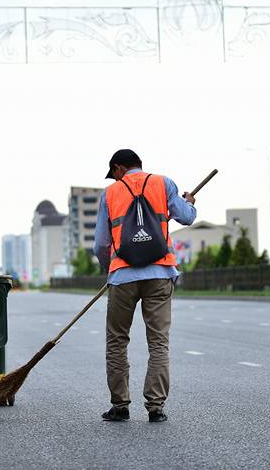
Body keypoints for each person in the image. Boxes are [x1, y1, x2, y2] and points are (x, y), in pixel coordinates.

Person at [93, 149, 197, 423]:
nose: (115, 179)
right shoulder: (164, 183)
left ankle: (120, 406)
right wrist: (189, 202)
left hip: (122, 277)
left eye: (114, 174)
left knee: (117, 341)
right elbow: (186, 217)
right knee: (158, 343)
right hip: (159, 273)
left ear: (119, 168)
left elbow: (101, 244)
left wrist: (109, 267)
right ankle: (155, 407)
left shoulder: (109, 194)